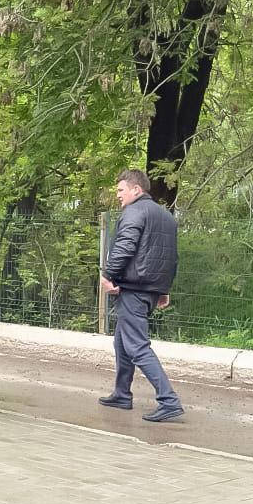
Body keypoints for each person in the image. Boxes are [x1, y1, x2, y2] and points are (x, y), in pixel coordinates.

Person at [98, 169, 183, 422]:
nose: (118, 196)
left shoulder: (134, 211)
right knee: (122, 342)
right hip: (149, 290)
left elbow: (125, 245)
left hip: (133, 289)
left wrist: (109, 275)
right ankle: (122, 394)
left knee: (137, 345)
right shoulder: (166, 216)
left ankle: (169, 400)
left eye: (120, 190)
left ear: (136, 190)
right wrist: (164, 289)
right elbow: (170, 257)